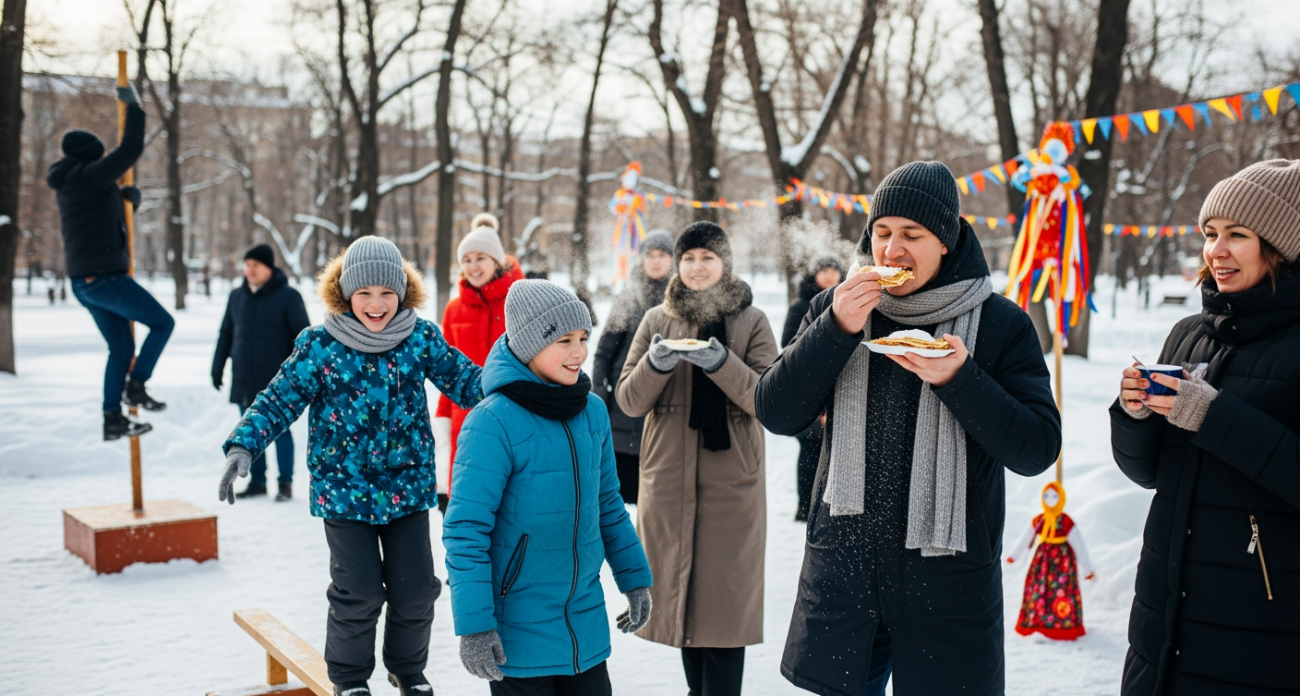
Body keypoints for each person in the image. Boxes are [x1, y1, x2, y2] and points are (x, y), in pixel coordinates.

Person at [756, 161, 1061, 696]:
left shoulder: (999, 324)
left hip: (948, 588)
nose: (891, 251)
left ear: (945, 240)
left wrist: (961, 378)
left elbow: (1037, 448)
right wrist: (835, 330)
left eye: (911, 235)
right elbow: (776, 412)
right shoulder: (839, 306)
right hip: (844, 581)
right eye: (882, 233)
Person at [217, 237, 484, 696]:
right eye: (364, 293)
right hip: (344, 492)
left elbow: (467, 380)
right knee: (358, 591)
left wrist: (525, 390)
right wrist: (244, 445)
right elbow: (278, 399)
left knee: (417, 589)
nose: (376, 304)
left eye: (387, 292)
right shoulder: (320, 345)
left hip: (406, 487)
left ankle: (407, 668)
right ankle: (349, 678)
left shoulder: (418, 336)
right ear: (346, 294)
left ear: (402, 292)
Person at [1111, 159, 1300, 696]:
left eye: (1237, 235)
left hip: (1263, 628)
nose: (1215, 250)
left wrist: (1210, 415)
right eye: (1211, 234)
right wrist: (1134, 413)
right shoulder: (1188, 334)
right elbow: (1148, 473)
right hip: (1162, 618)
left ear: (1282, 248)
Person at [443, 280, 654, 695]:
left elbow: (608, 505)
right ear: (526, 345)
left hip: (585, 629)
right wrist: (475, 627)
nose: (579, 353)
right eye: (564, 340)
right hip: (517, 638)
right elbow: (465, 532)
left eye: (583, 339)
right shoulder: (493, 421)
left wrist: (635, 579)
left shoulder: (591, 411)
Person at [616, 221, 777, 696]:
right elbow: (628, 400)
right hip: (667, 479)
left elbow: (768, 398)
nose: (697, 266)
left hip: (733, 484)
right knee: (682, 594)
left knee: (724, 602)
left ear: (724, 263)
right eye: (688, 258)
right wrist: (656, 364)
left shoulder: (752, 321)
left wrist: (721, 363)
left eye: (707, 257)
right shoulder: (655, 320)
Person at [46, 83, 173, 441]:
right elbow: (131, 148)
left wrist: (125, 203)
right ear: (92, 157)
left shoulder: (75, 182)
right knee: (163, 323)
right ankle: (137, 386)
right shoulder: (88, 175)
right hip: (104, 279)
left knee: (121, 347)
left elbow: (100, 221)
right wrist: (133, 106)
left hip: (85, 282)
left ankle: (112, 419)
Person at [435, 212, 526, 513]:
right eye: (466, 260)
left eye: (481, 258)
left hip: (514, 412)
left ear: (497, 261)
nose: (473, 266)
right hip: (465, 417)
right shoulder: (453, 310)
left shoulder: (520, 299)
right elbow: (446, 374)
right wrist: (443, 422)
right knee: (468, 510)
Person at [211, 244, 311, 501]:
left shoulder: (289, 296)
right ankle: (257, 481)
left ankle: (285, 483)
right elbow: (226, 333)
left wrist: (299, 376)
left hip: (277, 383)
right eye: (247, 265)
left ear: (269, 268)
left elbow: (304, 340)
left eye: (255, 265)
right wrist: (217, 366)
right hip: (244, 378)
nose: (250, 270)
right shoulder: (237, 296)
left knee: (280, 432)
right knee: (248, 429)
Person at [591, 229, 675, 505]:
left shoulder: (679, 302)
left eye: (661, 255)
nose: (655, 261)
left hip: (664, 409)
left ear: (672, 259)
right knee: (618, 499)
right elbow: (604, 353)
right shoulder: (628, 299)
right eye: (649, 255)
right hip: (622, 409)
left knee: (656, 500)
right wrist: (601, 394)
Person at [782, 256, 846, 521]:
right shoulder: (801, 305)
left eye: (834, 270)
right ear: (814, 274)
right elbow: (788, 346)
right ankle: (806, 507)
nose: (830, 275)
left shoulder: (848, 302)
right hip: (808, 391)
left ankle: (831, 508)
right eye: (824, 270)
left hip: (841, 391)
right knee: (810, 450)